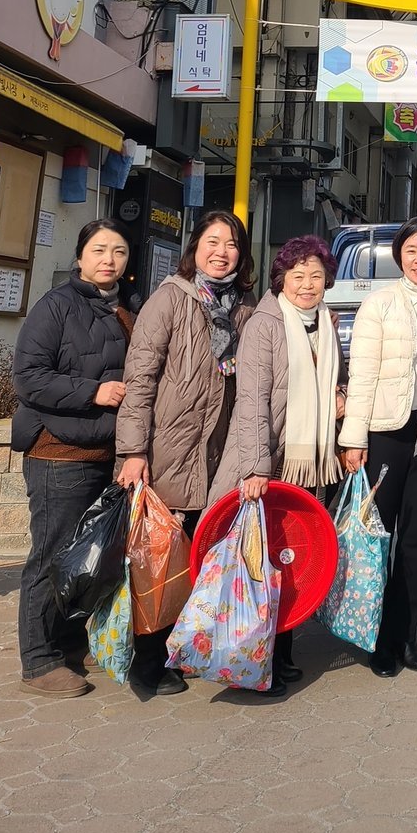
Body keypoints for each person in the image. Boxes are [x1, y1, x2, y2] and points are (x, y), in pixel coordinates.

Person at [115, 209, 256, 694]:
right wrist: (133, 450)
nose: (221, 252)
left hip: (217, 451)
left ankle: (184, 648)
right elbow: (140, 379)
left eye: (231, 244)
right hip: (167, 448)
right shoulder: (170, 299)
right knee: (158, 560)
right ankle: (148, 661)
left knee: (198, 553)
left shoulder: (243, 306)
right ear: (194, 248)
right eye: (212, 242)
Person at [209, 235, 346, 696]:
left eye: (316, 276)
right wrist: (256, 467)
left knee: (292, 556)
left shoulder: (325, 321)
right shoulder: (264, 325)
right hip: (271, 462)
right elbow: (251, 402)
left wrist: (339, 396)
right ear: (281, 279)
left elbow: (335, 378)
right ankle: (254, 656)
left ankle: (280, 652)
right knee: (262, 558)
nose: (307, 284)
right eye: (297, 275)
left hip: (309, 461)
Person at [12, 220, 132, 698]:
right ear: (80, 256)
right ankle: (38, 660)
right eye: (99, 250)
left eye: (118, 251)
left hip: (104, 451)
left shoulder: (125, 306)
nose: (109, 259)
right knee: (52, 555)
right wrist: (93, 391)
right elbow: (29, 377)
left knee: (87, 557)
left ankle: (69, 644)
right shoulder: (56, 305)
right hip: (59, 453)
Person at [339, 216, 417, 678]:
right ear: (399, 256)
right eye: (411, 250)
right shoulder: (380, 304)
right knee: (376, 537)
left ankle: (405, 636)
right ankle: (375, 639)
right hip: (385, 432)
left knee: (415, 540)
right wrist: (353, 437)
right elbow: (362, 373)